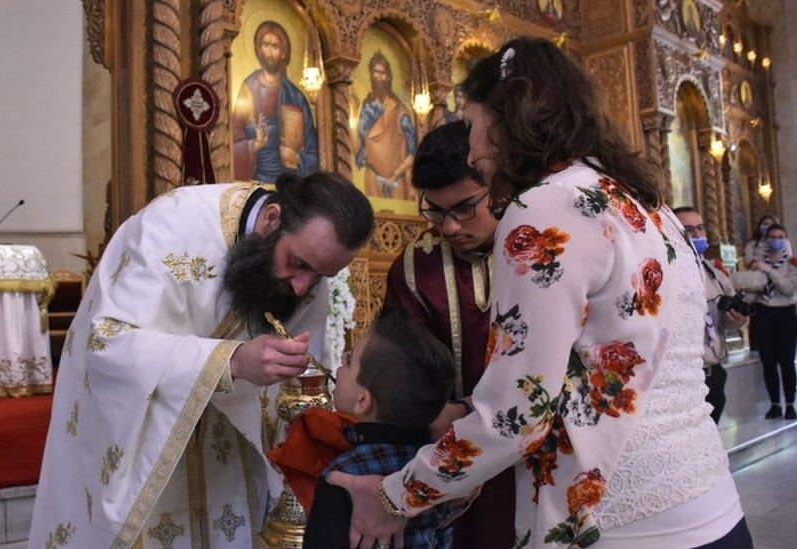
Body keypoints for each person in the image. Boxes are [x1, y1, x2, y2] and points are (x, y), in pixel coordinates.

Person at [330, 37, 752, 549]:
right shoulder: (644, 204)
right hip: (710, 502)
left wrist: (397, 495)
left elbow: (518, 414)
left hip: (623, 525)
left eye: (473, 125)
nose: (471, 149)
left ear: (508, 119)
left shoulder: (546, 208)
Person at [28, 173, 373, 548]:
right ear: (272, 219)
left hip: (229, 461)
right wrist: (232, 362)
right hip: (147, 447)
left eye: (321, 277)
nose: (302, 288)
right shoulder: (173, 225)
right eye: (299, 264)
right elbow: (106, 340)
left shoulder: (304, 272)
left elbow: (296, 380)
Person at [383, 120, 515, 548]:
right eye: (435, 210)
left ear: (495, 186)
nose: (450, 226)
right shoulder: (414, 267)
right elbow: (401, 365)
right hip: (451, 458)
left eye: (463, 208)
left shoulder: (536, 245)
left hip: (541, 455)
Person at [303, 308, 457, 548]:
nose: (340, 366)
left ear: (362, 401)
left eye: (349, 360)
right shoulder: (440, 467)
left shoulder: (343, 477)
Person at [674, 206, 748, 423]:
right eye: (689, 230)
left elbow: (731, 314)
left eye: (700, 228)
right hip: (685, 374)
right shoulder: (667, 273)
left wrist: (738, 320)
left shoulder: (714, 273)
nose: (697, 235)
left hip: (713, 368)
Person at [232, 21, 319, 182]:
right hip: (253, 185)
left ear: (284, 53)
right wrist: (255, 144)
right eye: (265, 45)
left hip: (291, 187)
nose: (270, 52)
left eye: (275, 46)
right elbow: (232, 143)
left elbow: (315, 155)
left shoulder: (296, 97)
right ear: (258, 49)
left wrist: (298, 159)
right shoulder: (248, 89)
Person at [748, 223, 797, 420]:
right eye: (772, 236)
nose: (776, 240)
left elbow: (788, 288)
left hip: (785, 313)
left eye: (780, 236)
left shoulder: (792, 263)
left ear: (785, 239)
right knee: (768, 362)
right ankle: (775, 404)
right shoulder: (758, 261)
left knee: (786, 362)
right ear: (767, 240)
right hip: (763, 313)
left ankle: (791, 404)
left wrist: (769, 270)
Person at [356, 51, 418, 200]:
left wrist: (394, 176)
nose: (378, 77)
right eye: (375, 72)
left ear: (388, 77)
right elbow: (359, 148)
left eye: (382, 73)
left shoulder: (399, 111)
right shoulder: (366, 109)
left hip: (396, 180)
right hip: (373, 178)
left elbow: (413, 152)